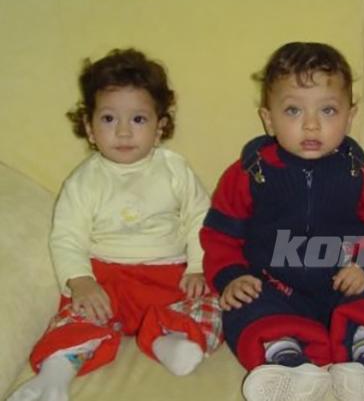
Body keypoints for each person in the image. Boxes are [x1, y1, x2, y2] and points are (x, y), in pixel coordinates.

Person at [200, 42, 364, 401]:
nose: (311, 124)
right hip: (274, 286)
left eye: (328, 110)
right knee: (241, 304)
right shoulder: (250, 173)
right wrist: (232, 277)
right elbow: (220, 237)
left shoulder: (362, 173)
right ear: (268, 119)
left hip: (348, 283)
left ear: (350, 116)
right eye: (293, 110)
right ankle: (286, 360)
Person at [8, 49, 222, 401]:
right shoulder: (85, 181)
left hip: (169, 277)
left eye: (138, 119)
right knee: (75, 316)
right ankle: (56, 372)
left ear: (159, 128)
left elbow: (201, 218)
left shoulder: (174, 169)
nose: (123, 131)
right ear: (90, 128)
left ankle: (170, 341)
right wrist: (81, 281)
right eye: (109, 119)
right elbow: (67, 236)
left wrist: (198, 267)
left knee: (214, 305)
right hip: (106, 280)